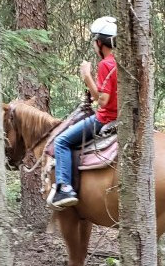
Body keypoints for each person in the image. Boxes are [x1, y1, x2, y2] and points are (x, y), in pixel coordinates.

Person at [49, 16, 118, 209]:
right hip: (122, 118)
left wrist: (87, 77)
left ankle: (64, 188)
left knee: (61, 141)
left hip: (105, 119)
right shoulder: (123, 63)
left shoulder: (106, 64)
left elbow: (103, 101)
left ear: (99, 43)